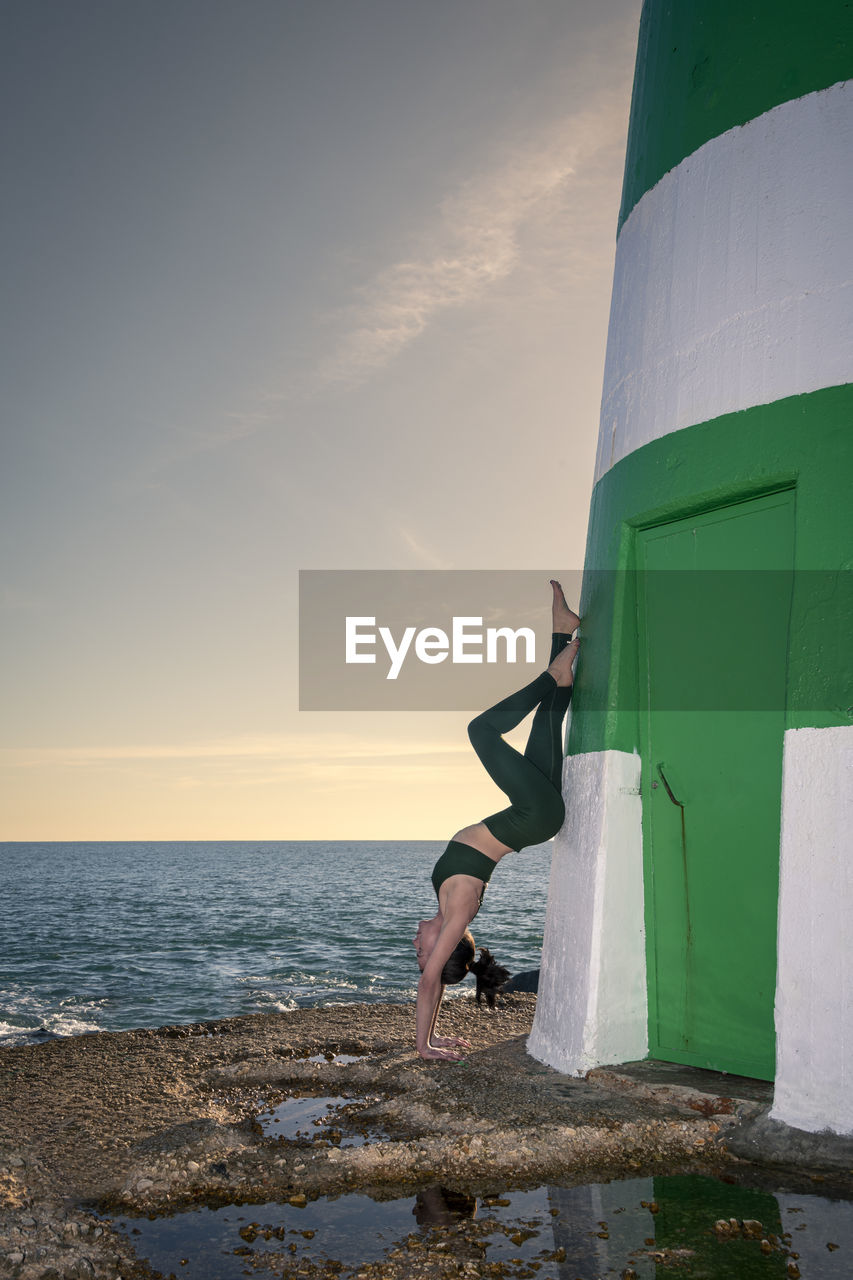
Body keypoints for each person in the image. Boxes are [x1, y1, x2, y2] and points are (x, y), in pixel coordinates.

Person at [412, 580, 580, 1061]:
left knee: (548, 718)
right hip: (534, 816)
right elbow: (430, 984)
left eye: (420, 953)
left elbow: (433, 982)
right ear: (447, 947)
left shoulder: (448, 904)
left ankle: (563, 637)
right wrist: (424, 1045)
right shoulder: (458, 913)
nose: (417, 947)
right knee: (481, 730)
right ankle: (551, 671)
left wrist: (435, 1034)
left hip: (537, 817)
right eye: (425, 953)